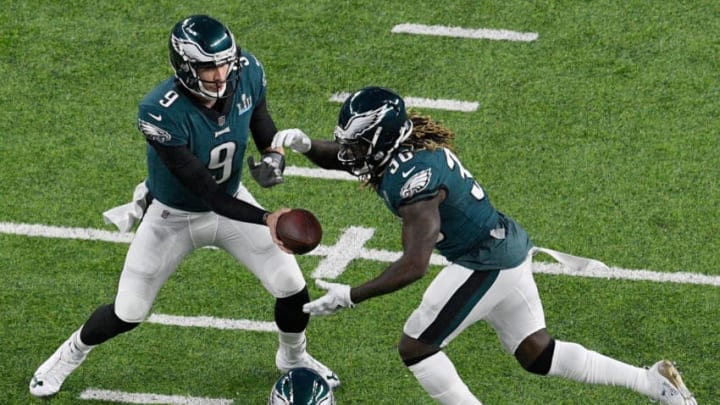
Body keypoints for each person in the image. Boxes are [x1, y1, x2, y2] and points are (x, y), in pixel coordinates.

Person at [271, 86, 697, 404]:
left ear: (382, 141)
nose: (349, 150)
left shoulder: (413, 183)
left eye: (358, 142)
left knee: (416, 347)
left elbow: (414, 265)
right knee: (538, 354)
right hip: (503, 246)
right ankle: (651, 380)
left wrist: (350, 295)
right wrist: (307, 146)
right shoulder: (405, 146)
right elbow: (350, 158)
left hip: (484, 262)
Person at [29, 15, 338, 398]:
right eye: (208, 66)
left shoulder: (247, 70)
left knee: (291, 286)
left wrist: (273, 156)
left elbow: (261, 123)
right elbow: (206, 193)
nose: (220, 72)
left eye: (225, 61)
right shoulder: (159, 110)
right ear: (185, 65)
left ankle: (294, 358)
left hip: (233, 198)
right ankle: (70, 353)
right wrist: (269, 218)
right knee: (129, 310)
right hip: (173, 215)